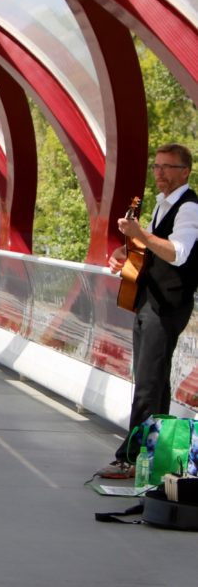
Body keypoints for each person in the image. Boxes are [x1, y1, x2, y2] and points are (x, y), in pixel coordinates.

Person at [99, 143, 198, 478]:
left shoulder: (189, 208)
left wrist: (140, 233)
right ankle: (156, 457)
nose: (159, 173)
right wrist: (124, 253)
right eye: (156, 166)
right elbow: (149, 252)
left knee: (147, 384)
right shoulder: (159, 205)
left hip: (168, 304)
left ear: (185, 171)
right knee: (154, 382)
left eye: (167, 167)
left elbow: (178, 253)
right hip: (148, 302)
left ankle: (130, 459)